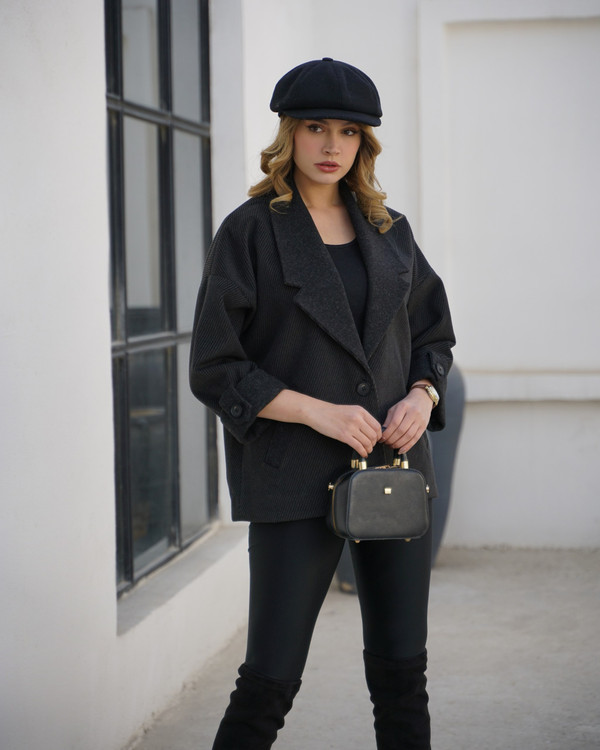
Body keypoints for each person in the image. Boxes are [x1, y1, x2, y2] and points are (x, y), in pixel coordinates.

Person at [190, 57, 455, 750]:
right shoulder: (249, 232)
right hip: (293, 476)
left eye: (349, 131)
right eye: (316, 127)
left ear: (365, 142)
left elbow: (432, 335)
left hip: (395, 468)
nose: (332, 145)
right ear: (289, 133)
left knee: (403, 678)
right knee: (267, 685)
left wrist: (423, 394)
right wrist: (317, 411)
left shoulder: (390, 229)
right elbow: (215, 367)